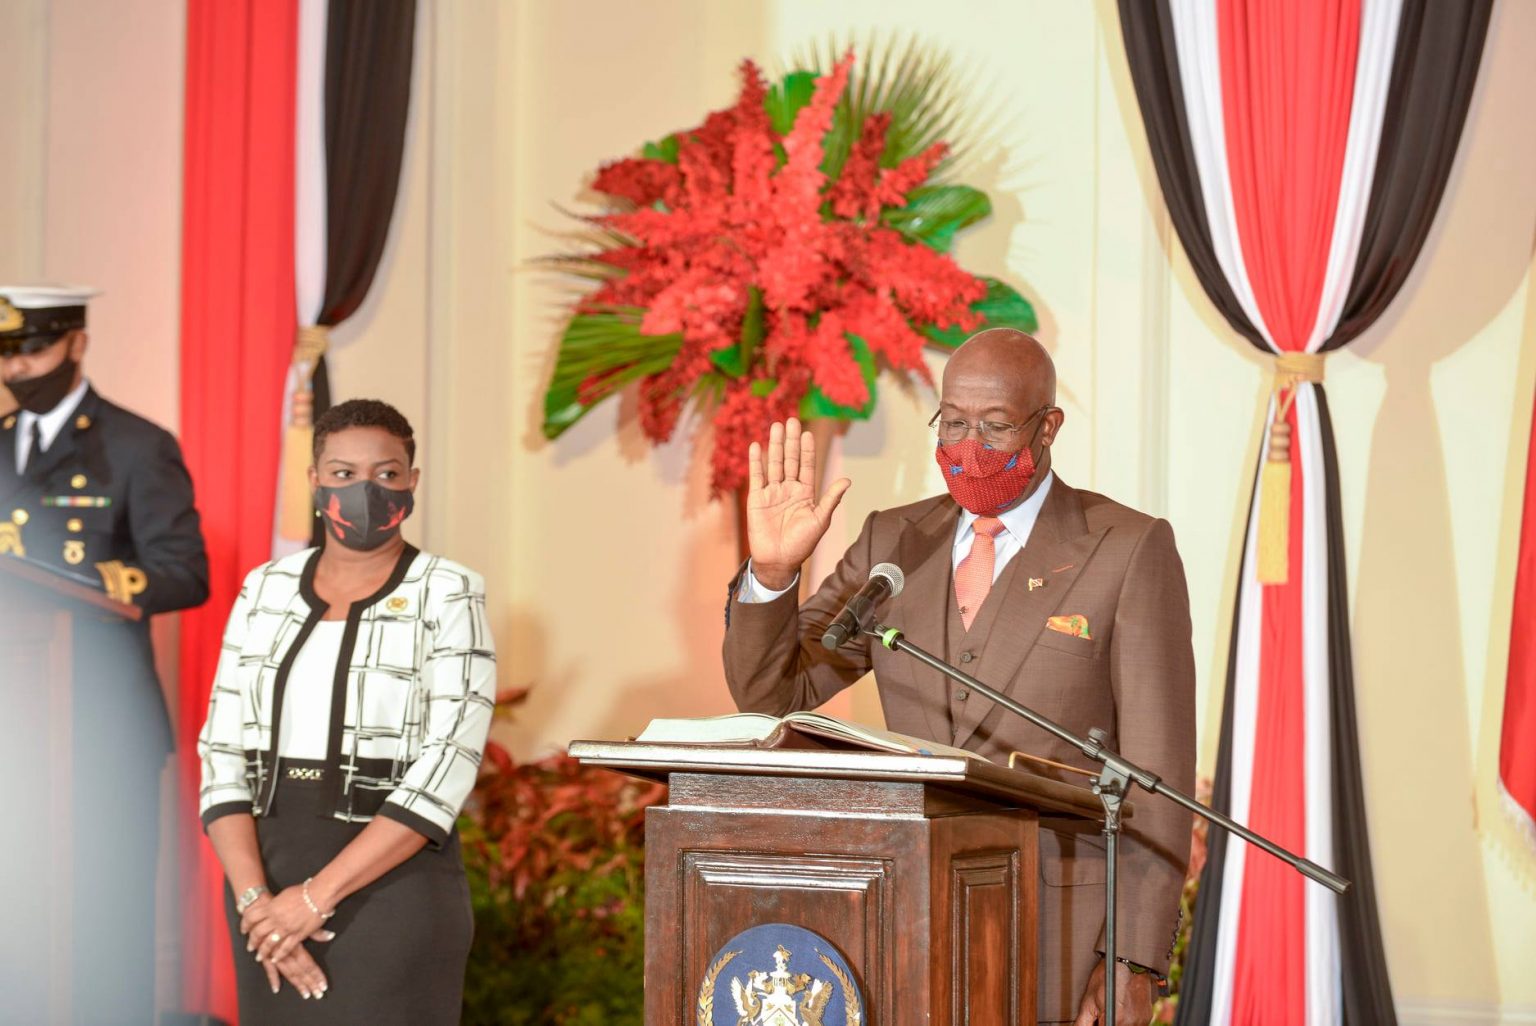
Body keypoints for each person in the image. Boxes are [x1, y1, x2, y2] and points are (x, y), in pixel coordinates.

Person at [723, 328, 1195, 1025]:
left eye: (997, 426)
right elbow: (774, 694)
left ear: (1049, 425)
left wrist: (1133, 963)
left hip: (1062, 926)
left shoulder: (1125, 548)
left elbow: (1160, 779)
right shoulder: (895, 540)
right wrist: (772, 575)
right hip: (908, 913)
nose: (969, 446)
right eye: (953, 422)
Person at [197, 398, 496, 1024]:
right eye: (342, 474)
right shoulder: (264, 589)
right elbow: (222, 753)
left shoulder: (447, 591)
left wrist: (314, 899)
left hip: (391, 889)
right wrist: (259, 903)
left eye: (386, 475)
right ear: (313, 480)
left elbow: (447, 765)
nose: (366, 491)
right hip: (265, 889)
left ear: (412, 483)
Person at [0, 285, 209, 1024]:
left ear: (77, 344)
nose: (19, 369)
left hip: (100, 720)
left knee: (105, 915)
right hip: (12, 724)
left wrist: (87, 582)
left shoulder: (134, 445)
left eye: (34, 349)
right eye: (7, 355)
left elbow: (186, 572)